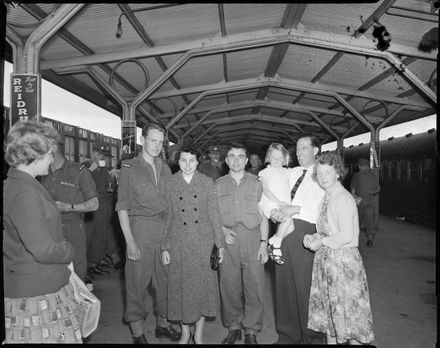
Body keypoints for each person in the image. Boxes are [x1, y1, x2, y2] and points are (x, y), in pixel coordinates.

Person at [3, 120, 82, 343]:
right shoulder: (24, 193)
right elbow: (43, 249)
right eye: (49, 153)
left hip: (39, 288)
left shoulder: (21, 184)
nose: (51, 158)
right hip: (35, 296)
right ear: (33, 155)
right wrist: (69, 250)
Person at [116, 122, 181, 344]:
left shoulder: (165, 167)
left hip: (164, 231)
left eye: (161, 142)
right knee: (136, 283)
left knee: (165, 282)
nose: (156, 146)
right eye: (153, 140)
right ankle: (137, 332)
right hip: (140, 230)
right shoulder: (129, 168)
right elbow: (122, 208)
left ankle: (162, 324)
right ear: (142, 139)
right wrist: (130, 242)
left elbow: (172, 203)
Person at [303, 151, 375, 345]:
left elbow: (345, 236)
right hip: (329, 263)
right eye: (320, 173)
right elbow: (328, 230)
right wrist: (315, 236)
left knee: (351, 319)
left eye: (328, 172)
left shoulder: (342, 198)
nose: (323, 177)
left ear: (338, 173)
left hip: (343, 264)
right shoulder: (328, 196)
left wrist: (321, 242)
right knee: (332, 318)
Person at [161, 146, 226, 344]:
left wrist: (220, 244)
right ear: (177, 162)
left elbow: (215, 214)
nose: (187, 165)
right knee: (181, 289)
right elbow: (168, 217)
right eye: (183, 161)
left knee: (201, 290)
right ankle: (184, 332)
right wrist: (165, 246)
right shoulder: (171, 182)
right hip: (179, 242)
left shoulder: (206, 182)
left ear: (198, 162)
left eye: (191, 161)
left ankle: (198, 333)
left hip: (203, 243)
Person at [270, 134, 325, 344]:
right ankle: (287, 334)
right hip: (283, 231)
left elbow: (323, 206)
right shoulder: (291, 172)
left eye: (304, 148)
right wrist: (274, 211)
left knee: (306, 287)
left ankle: (311, 337)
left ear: (315, 150)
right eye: (298, 149)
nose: (299, 153)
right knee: (284, 285)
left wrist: (297, 208)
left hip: (306, 231)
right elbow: (276, 194)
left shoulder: (322, 174)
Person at [215, 141, 269, 345]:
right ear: (226, 160)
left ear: (246, 160)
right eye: (232, 157)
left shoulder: (257, 183)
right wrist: (221, 231)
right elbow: (213, 215)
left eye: (240, 157)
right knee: (228, 285)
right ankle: (233, 327)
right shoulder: (218, 184)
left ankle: (252, 331)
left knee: (254, 285)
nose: (236, 161)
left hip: (253, 237)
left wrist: (264, 243)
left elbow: (264, 216)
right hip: (228, 240)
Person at [40, 132, 99, 282]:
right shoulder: (40, 174)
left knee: (76, 272)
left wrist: (69, 207)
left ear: (52, 148)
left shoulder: (79, 172)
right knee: (49, 272)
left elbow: (94, 204)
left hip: (72, 228)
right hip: (46, 229)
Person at [84, 143, 121, 278]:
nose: (104, 159)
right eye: (102, 155)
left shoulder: (103, 168)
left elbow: (109, 185)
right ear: (94, 154)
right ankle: (88, 265)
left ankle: (94, 262)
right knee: (91, 236)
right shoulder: (87, 166)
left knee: (101, 236)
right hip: (94, 206)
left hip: (105, 205)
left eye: (105, 157)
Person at [257, 143, 293, 265]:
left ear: (284, 158)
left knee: (291, 227)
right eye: (274, 158)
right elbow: (266, 190)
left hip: (283, 203)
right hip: (271, 202)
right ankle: (275, 245)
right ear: (268, 158)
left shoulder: (287, 172)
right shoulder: (265, 172)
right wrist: (278, 203)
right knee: (286, 220)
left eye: (280, 158)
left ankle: (274, 240)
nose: (277, 160)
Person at [350, 158, 380, 247]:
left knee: (357, 221)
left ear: (360, 166)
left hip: (360, 201)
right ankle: (370, 240)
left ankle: (355, 241)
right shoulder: (372, 176)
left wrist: (356, 198)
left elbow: (352, 192)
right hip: (371, 201)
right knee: (370, 220)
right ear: (367, 166)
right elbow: (378, 189)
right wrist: (370, 193)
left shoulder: (356, 176)